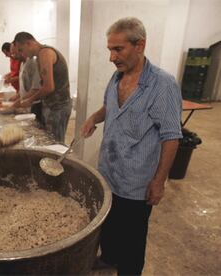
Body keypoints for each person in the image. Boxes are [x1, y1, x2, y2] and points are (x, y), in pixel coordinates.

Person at [80, 17, 182, 275]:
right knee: (109, 225)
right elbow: (109, 107)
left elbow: (171, 137)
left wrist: (159, 181)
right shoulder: (116, 78)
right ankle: (109, 257)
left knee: (133, 240)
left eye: (118, 49)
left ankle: (128, 270)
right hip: (108, 173)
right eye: (109, 50)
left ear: (140, 45)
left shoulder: (163, 84)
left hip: (136, 183)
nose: (112, 57)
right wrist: (94, 117)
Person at [13, 32, 72, 142]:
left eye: (21, 50)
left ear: (29, 43)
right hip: (51, 105)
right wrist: (23, 99)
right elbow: (42, 86)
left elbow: (49, 87)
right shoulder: (40, 56)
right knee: (48, 139)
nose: (22, 54)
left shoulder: (45, 53)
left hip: (58, 106)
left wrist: (29, 100)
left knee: (55, 142)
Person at [11, 42, 44, 127]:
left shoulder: (33, 63)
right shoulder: (23, 63)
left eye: (14, 53)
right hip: (26, 104)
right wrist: (18, 96)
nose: (13, 56)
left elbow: (36, 89)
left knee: (36, 130)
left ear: (20, 50)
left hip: (35, 105)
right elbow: (25, 85)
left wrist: (21, 100)